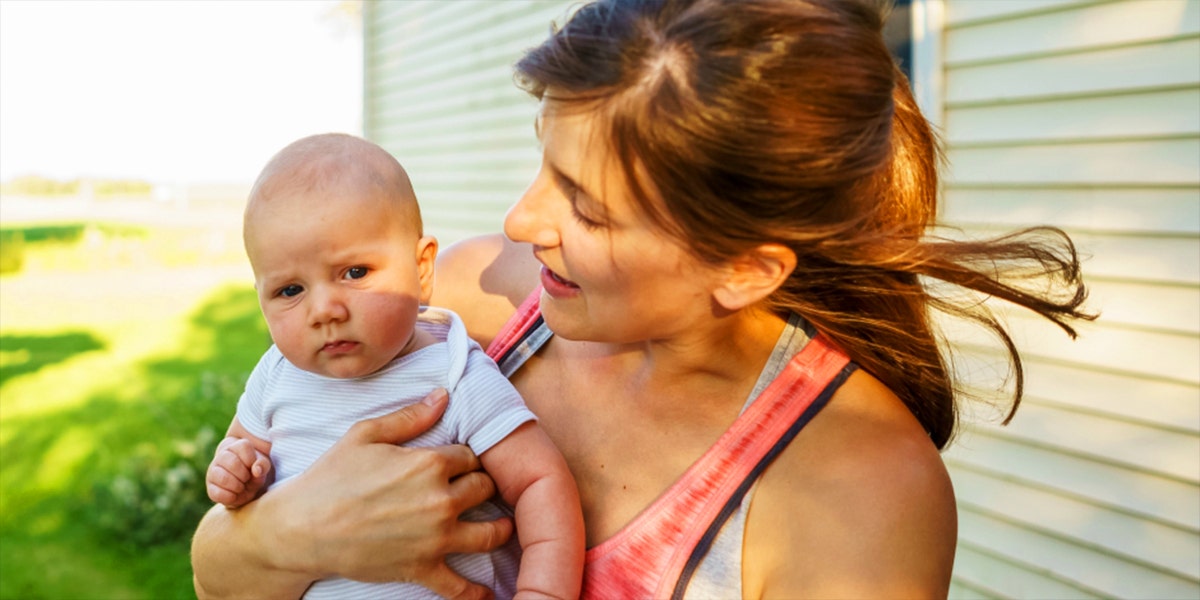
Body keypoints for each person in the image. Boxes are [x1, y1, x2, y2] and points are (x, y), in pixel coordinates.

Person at [191, 1, 1094, 598]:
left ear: (744, 269)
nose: (520, 218)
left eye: (585, 205)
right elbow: (214, 570)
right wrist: (297, 537)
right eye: (542, 162)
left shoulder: (858, 494)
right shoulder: (473, 304)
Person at [201, 133, 584, 600]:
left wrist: (543, 592)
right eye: (290, 291)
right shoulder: (277, 374)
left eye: (355, 273)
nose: (324, 310)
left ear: (422, 270)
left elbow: (539, 483)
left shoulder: (454, 373)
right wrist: (237, 470)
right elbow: (242, 445)